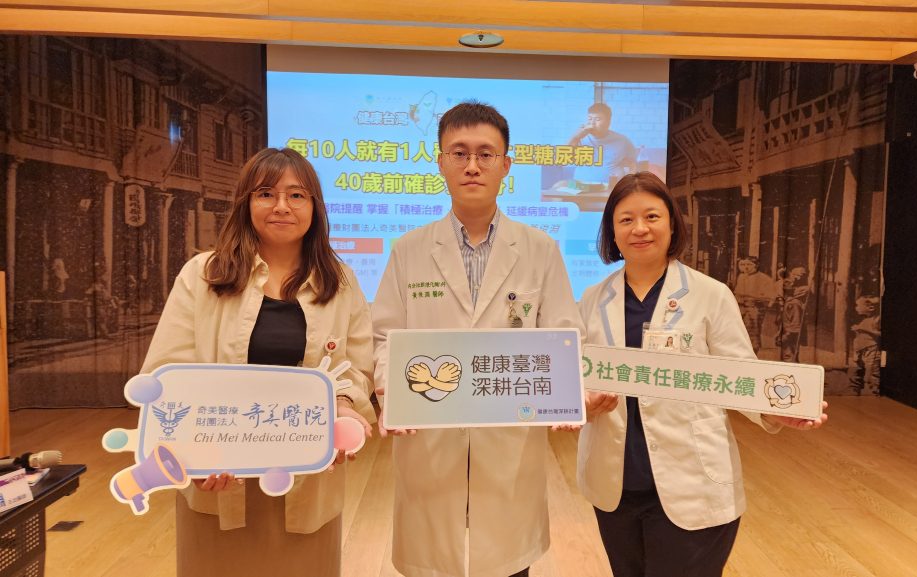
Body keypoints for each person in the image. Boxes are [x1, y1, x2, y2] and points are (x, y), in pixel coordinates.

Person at [140, 147, 375, 577]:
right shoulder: (203, 275)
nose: (282, 206)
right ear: (246, 203)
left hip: (309, 477)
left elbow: (356, 368)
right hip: (219, 478)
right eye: (266, 193)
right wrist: (191, 452)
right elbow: (165, 374)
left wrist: (343, 406)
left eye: (297, 195)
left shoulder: (340, 282)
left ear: (314, 208)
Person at [372, 102, 584, 577]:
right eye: (459, 153)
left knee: (505, 562)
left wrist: (568, 395)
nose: (472, 165)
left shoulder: (540, 248)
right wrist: (393, 393)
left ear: (506, 165)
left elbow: (565, 336)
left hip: (508, 440)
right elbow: (384, 336)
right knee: (433, 561)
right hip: (428, 434)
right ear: (440, 162)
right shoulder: (408, 249)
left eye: (486, 154)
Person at [579, 172, 827, 577]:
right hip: (616, 485)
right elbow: (578, 376)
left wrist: (774, 410)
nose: (639, 228)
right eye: (626, 219)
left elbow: (740, 373)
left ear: (672, 223)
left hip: (692, 481)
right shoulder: (592, 300)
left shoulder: (710, 294)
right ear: (612, 231)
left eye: (652, 216)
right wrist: (580, 405)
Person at [567, 102, 637, 186]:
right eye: (590, 119)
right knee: (558, 185)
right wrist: (575, 137)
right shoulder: (580, 138)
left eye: (597, 119)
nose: (592, 123)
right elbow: (565, 159)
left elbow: (633, 165)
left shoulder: (622, 140)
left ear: (608, 122)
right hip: (580, 187)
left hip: (611, 188)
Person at [732, 256, 776, 354]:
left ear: (756, 265)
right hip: (740, 307)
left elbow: (771, 297)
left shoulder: (764, 278)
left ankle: (752, 353)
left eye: (749, 264)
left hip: (754, 308)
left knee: (752, 331)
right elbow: (737, 293)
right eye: (743, 264)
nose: (746, 267)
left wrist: (758, 302)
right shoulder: (741, 277)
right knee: (739, 331)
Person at [775, 266, 809, 362]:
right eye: (795, 275)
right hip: (786, 325)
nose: (797, 277)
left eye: (801, 275)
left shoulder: (795, 302)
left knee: (791, 350)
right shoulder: (785, 288)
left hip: (791, 329)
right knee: (788, 351)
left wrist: (788, 333)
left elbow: (795, 322)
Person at [849, 295, 881, 395]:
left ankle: (874, 395)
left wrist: (863, 329)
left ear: (870, 308)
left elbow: (880, 334)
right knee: (855, 374)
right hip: (860, 352)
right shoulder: (864, 320)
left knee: (872, 376)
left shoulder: (877, 319)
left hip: (871, 351)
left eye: (858, 305)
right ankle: (855, 394)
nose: (856, 308)